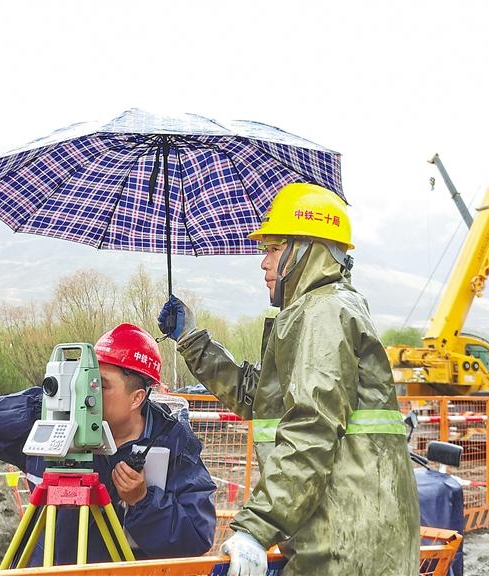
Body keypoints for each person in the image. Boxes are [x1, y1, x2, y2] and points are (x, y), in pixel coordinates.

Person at [158, 183, 420, 576]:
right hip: (343, 536)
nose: (263, 263)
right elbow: (259, 397)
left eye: (274, 248)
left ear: (306, 251)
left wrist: (255, 528)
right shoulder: (319, 311)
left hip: (345, 545)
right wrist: (192, 340)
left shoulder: (323, 313)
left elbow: (310, 428)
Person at [0, 323, 216, 565]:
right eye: (85, 379)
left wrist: (143, 501)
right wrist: (56, 400)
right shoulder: (54, 423)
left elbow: (196, 538)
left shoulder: (172, 443)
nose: (86, 391)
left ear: (136, 398)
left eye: (99, 385)